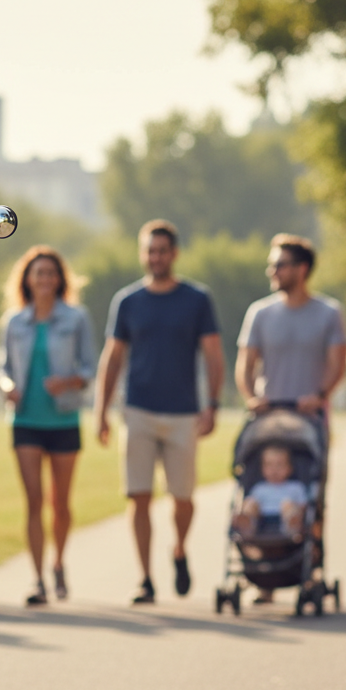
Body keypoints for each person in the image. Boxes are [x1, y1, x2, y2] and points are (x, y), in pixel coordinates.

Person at [94, 220, 224, 604]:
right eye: (150, 251)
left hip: (183, 411)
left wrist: (212, 404)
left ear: (174, 254)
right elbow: (113, 358)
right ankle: (145, 578)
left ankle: (180, 549)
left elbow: (214, 355)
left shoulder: (197, 299)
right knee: (138, 496)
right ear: (143, 254)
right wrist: (101, 410)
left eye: (163, 251)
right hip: (137, 410)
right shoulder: (128, 301)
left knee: (182, 497)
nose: (156, 257)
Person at [235, 234, 345, 602]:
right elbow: (246, 363)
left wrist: (321, 395)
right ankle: (265, 580)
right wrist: (251, 396)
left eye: (279, 264)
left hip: (310, 420)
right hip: (270, 421)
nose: (272, 270)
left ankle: (309, 571)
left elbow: (336, 363)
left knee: (313, 500)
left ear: (301, 269)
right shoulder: (261, 313)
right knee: (259, 499)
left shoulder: (328, 313)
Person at [0, 247, 95, 605]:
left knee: (61, 503)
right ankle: (38, 579)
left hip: (64, 416)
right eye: (38, 273)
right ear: (27, 279)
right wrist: (8, 387)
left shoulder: (76, 318)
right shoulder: (13, 322)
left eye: (51, 273)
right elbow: (2, 368)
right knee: (33, 501)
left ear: (60, 280)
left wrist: (68, 381)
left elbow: (89, 369)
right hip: (25, 419)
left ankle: (59, 563)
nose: (44, 280)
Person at [232, 445, 308, 540]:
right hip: (261, 520)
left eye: (279, 465)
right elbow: (251, 502)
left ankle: (292, 525)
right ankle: (246, 523)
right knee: (251, 502)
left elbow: (304, 506)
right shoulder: (259, 488)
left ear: (289, 468)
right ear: (262, 468)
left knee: (288, 505)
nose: (274, 470)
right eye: (269, 465)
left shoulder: (295, 487)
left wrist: (297, 511)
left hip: (285, 519)